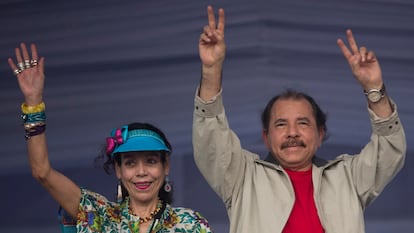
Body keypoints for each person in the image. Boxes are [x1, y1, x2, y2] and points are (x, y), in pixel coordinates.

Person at [193, 5, 406, 233]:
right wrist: (212, 69)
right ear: (266, 137)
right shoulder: (243, 177)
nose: (292, 133)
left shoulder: (348, 177)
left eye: (303, 123)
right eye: (281, 124)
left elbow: (390, 149)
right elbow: (211, 137)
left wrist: (374, 89)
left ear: (320, 134)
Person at [8, 43, 213, 233]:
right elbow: (41, 171)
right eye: (130, 163)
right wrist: (33, 103)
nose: (141, 172)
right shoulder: (98, 215)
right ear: (118, 169)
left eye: (150, 161)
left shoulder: (190, 224)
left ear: (165, 166)